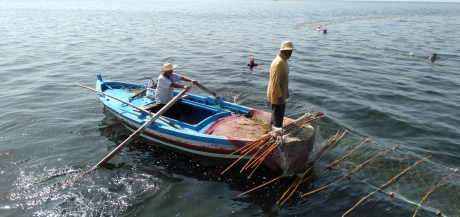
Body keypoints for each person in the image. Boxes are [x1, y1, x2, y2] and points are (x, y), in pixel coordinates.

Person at [267, 41, 295, 128]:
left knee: (276, 115)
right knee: (277, 119)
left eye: (291, 50)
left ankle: (271, 131)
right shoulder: (278, 63)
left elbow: (283, 79)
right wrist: (279, 96)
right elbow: (274, 82)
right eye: (288, 50)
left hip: (281, 94)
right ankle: (274, 136)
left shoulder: (284, 61)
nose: (290, 52)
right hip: (277, 95)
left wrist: (286, 92)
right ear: (282, 51)